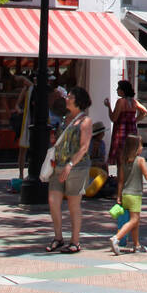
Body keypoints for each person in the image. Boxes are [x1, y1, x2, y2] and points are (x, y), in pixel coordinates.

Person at [46, 86, 93, 253]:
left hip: (76, 168)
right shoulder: (65, 118)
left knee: (74, 204)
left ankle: (75, 240)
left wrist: (70, 164)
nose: (67, 99)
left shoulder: (85, 121)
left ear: (78, 101)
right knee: (53, 202)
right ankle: (58, 237)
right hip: (58, 166)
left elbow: (84, 147)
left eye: (70, 97)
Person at [111, 134, 147, 255]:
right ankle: (116, 238)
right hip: (135, 195)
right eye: (141, 145)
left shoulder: (123, 161)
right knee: (134, 220)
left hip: (125, 195)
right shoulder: (140, 160)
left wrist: (119, 196)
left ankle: (136, 245)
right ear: (135, 147)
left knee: (135, 220)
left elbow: (121, 180)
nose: (142, 148)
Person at [106, 80, 147, 174]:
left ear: (123, 90)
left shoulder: (120, 102)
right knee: (130, 156)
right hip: (131, 131)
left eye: (118, 88)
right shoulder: (134, 102)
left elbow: (114, 118)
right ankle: (127, 179)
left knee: (120, 159)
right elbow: (145, 111)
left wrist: (108, 107)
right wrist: (134, 120)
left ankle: (120, 180)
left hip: (121, 132)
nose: (117, 90)